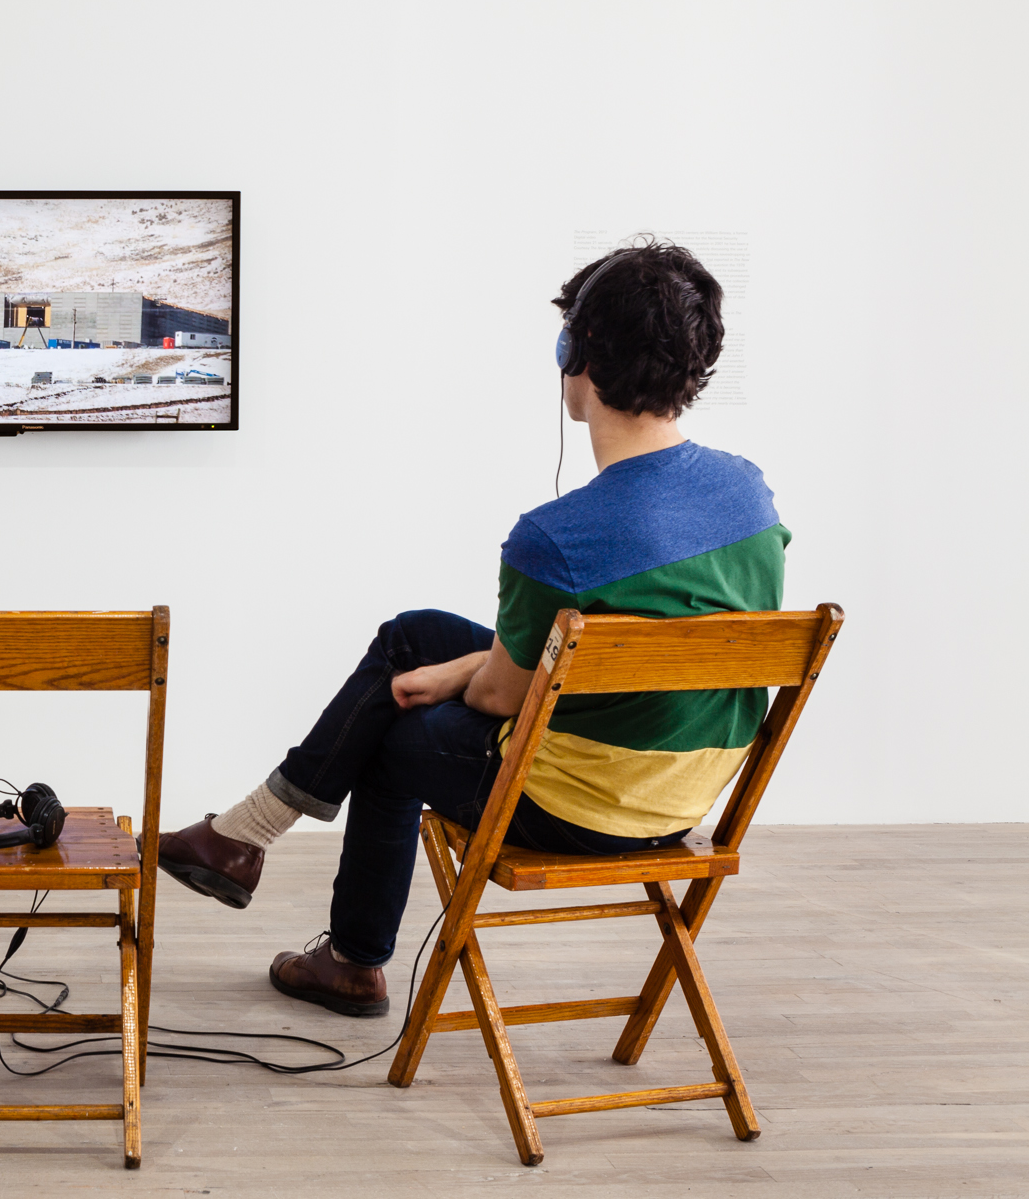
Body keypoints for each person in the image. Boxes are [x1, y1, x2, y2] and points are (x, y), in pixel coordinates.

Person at [158, 240, 789, 1017]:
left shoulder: (555, 539)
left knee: (389, 729)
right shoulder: (750, 496)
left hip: (575, 806)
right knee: (414, 636)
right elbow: (611, 653)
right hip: (683, 799)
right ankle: (244, 835)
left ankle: (346, 954)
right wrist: (459, 667)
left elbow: (499, 698)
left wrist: (462, 678)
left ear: (577, 353)